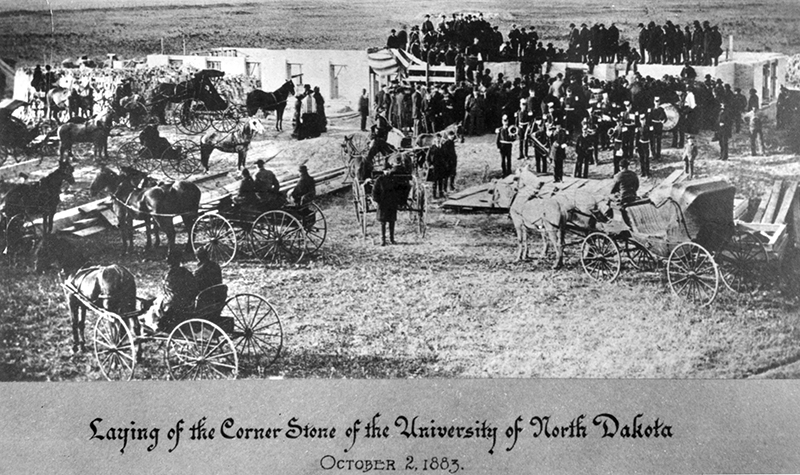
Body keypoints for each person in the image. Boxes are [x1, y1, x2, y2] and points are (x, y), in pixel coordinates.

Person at [143, 250, 199, 333]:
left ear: (170, 262)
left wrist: (157, 301)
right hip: (188, 303)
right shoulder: (187, 272)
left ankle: (154, 326)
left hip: (174, 306)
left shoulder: (170, 275)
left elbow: (169, 294)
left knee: (153, 309)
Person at [372, 163, 405, 246]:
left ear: (390, 170)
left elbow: (399, 191)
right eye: (385, 170)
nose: (387, 172)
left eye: (388, 170)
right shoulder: (379, 180)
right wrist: (378, 201)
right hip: (383, 204)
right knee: (383, 223)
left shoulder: (394, 179)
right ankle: (383, 240)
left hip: (392, 203)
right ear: (383, 171)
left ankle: (392, 239)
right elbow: (375, 192)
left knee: (392, 222)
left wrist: (397, 201)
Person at [193, 247, 226, 324]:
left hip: (205, 300)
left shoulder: (198, 271)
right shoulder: (216, 266)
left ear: (197, 257)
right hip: (218, 298)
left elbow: (195, 287)